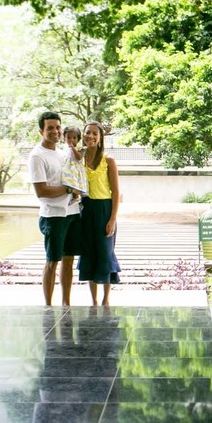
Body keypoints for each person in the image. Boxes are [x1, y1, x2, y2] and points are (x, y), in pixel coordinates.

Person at [28, 111, 83, 305]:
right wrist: (69, 188)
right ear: (41, 131)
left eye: (58, 127)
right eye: (50, 128)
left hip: (72, 213)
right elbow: (41, 191)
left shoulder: (63, 153)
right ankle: (48, 306)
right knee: (53, 261)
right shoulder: (37, 156)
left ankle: (66, 303)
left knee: (69, 259)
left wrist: (77, 190)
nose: (55, 131)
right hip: (54, 216)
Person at [77, 121, 121, 306]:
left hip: (104, 209)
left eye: (95, 133)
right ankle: (93, 300)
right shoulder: (79, 159)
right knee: (88, 253)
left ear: (101, 137)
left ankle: (106, 299)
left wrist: (112, 219)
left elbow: (116, 192)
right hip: (86, 209)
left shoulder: (108, 160)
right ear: (83, 135)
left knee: (105, 253)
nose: (91, 136)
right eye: (88, 133)